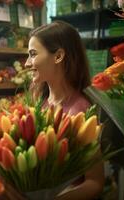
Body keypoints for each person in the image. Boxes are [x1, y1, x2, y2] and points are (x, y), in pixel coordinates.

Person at [25, 21, 105, 200]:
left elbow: (95, 183)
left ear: (58, 56)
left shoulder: (80, 111)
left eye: (32, 54)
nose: (26, 63)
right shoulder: (38, 101)